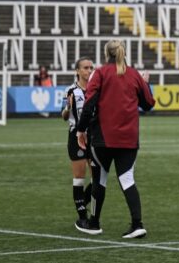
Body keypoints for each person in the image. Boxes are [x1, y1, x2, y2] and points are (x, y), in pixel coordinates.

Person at [75, 40, 155, 238]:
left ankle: (94, 223)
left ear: (105, 53)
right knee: (127, 179)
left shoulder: (100, 73)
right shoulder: (134, 74)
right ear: (123, 52)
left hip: (103, 137)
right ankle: (137, 223)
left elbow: (89, 103)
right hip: (129, 138)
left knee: (99, 178)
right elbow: (148, 104)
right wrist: (146, 83)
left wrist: (80, 130)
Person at [62, 57, 99, 231]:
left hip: (94, 137)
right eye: (85, 67)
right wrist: (68, 109)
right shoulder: (71, 90)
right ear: (77, 71)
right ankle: (82, 217)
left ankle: (81, 202)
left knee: (98, 177)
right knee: (79, 177)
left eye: (91, 67)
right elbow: (63, 116)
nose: (89, 70)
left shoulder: (97, 89)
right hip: (75, 136)